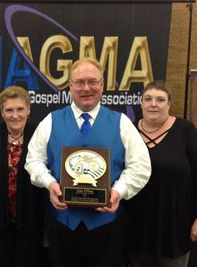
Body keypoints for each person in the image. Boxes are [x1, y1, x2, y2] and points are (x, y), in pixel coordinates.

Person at [25, 57, 151, 267]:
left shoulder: (121, 123)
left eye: (93, 82)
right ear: (70, 86)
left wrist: (119, 190)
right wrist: (49, 184)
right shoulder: (50, 121)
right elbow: (33, 160)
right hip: (62, 224)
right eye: (80, 82)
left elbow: (141, 165)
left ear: (102, 85)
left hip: (107, 227)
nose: (86, 88)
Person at [127, 80, 197, 267]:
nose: (153, 104)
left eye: (160, 99)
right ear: (141, 103)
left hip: (175, 225)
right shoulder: (128, 131)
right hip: (136, 224)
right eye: (148, 99)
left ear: (169, 103)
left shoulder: (186, 131)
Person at [0, 86, 46, 267]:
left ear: (28, 110)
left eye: (20, 109)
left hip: (30, 219)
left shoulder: (40, 135)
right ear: (2, 112)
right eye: (9, 110)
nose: (15, 115)